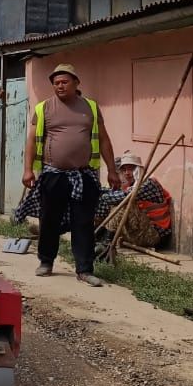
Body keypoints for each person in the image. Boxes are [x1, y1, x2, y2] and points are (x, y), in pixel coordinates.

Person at [23, 63, 119, 287]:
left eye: (64, 82)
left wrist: (112, 170)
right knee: (49, 220)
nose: (59, 86)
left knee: (83, 222)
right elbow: (31, 140)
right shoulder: (44, 108)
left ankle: (85, 269)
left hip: (84, 175)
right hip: (53, 174)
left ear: (76, 83)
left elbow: (104, 139)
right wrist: (28, 169)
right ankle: (46, 261)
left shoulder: (91, 108)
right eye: (56, 83)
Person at [98, 152, 174, 250]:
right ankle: (100, 235)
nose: (127, 173)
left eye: (131, 169)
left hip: (154, 236)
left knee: (125, 203)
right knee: (112, 202)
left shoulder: (148, 184)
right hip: (140, 232)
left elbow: (124, 196)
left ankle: (106, 242)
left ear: (138, 169)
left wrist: (102, 195)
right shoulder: (132, 185)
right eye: (124, 169)